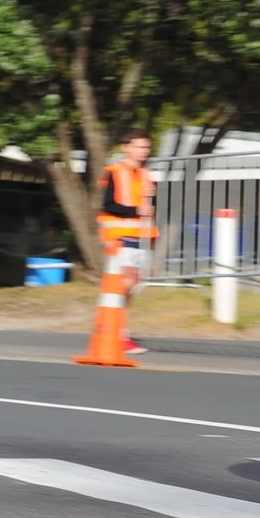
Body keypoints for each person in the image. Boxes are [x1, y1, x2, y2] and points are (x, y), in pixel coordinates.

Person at [97, 129, 158, 356]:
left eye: (146, 147)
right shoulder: (113, 171)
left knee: (131, 285)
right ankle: (115, 331)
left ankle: (117, 329)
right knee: (127, 282)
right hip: (119, 235)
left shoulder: (146, 174)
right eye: (139, 146)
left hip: (140, 235)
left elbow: (149, 207)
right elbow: (107, 205)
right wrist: (136, 209)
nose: (144, 151)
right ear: (126, 147)